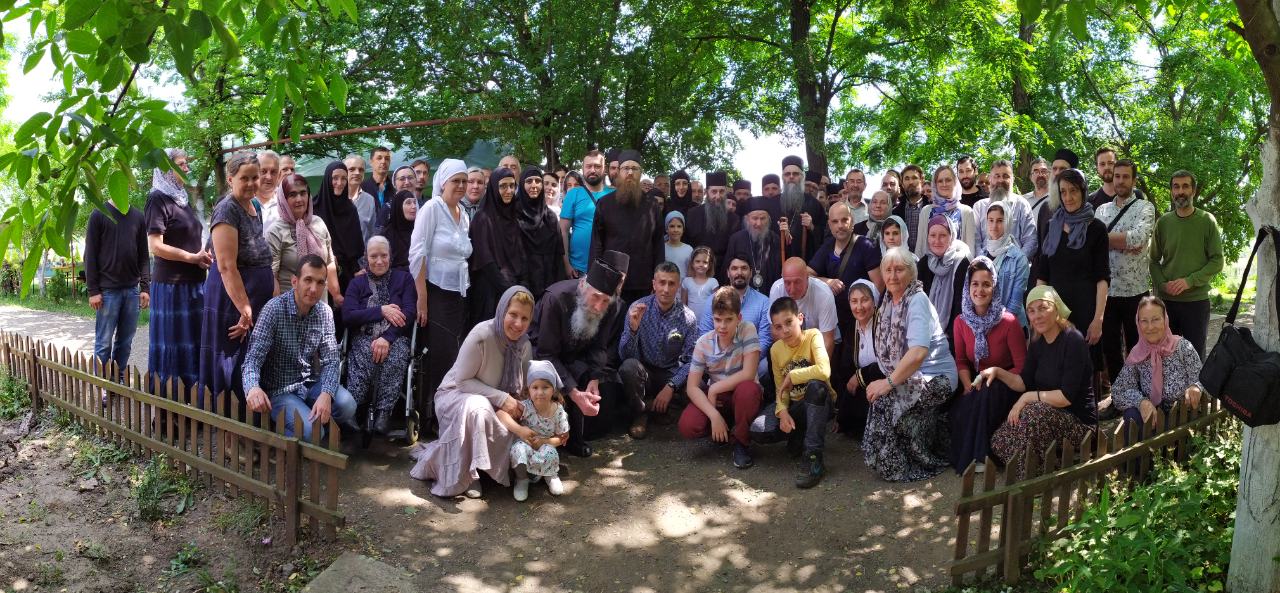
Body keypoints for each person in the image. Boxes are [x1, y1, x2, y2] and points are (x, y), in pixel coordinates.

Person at [409, 286, 534, 498]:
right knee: (478, 406)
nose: (518, 324)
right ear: (502, 311)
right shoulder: (482, 335)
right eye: (513, 315)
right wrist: (502, 398)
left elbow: (524, 388)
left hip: (498, 402)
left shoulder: (524, 345)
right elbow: (463, 381)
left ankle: (508, 468)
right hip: (456, 396)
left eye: (525, 318)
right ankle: (469, 474)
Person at [863, 246, 958, 482]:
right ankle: (890, 458)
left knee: (887, 396)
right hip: (910, 375)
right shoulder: (888, 301)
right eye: (888, 270)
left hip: (937, 377)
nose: (893, 276)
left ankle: (902, 465)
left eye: (899, 270)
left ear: (911, 273)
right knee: (884, 395)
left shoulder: (917, 300)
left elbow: (918, 353)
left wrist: (887, 382)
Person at [983, 286, 1096, 479]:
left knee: (1033, 412)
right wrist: (998, 371)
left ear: (1056, 309)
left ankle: (1032, 477)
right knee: (999, 441)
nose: (1037, 316)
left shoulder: (1073, 340)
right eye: (1031, 311)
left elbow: (1065, 397)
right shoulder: (1037, 342)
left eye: (1043, 308)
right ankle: (1050, 464)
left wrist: (1027, 398)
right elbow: (1023, 382)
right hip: (1045, 418)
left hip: (1079, 424)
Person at [242, 255, 357, 440]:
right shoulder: (273, 310)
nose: (313, 289)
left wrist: (326, 393)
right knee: (314, 433)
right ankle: (283, 434)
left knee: (347, 405)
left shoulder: (325, 312)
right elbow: (252, 359)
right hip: (279, 390)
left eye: (320, 282)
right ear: (295, 282)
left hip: (309, 383)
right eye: (308, 280)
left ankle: (305, 427)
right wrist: (253, 388)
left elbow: (331, 360)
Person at [529, 255, 629, 457]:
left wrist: (594, 377)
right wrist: (574, 392)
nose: (599, 306)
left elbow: (599, 346)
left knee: (603, 396)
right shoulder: (556, 299)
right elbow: (546, 352)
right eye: (596, 297)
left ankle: (575, 438)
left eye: (605, 300)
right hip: (542, 355)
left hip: (575, 356)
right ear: (583, 286)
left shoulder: (610, 305)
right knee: (555, 381)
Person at [200, 152, 276, 410]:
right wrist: (244, 308)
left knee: (252, 358)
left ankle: (250, 418)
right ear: (231, 179)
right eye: (245, 178)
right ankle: (228, 425)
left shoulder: (254, 206)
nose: (253, 183)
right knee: (231, 360)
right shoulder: (227, 209)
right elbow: (226, 266)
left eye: (256, 177)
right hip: (232, 298)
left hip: (253, 297)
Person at [410, 159, 474, 422]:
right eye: (455, 181)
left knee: (455, 355)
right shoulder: (432, 209)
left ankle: (450, 411)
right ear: (443, 183)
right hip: (436, 292)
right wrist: (422, 298)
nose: (461, 185)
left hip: (460, 294)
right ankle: (433, 416)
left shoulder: (464, 214)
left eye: (464, 181)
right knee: (440, 355)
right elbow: (418, 253)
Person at [949, 258, 1026, 473]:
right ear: (968, 287)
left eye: (986, 284)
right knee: (962, 406)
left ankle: (982, 455)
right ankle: (968, 456)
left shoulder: (1008, 322)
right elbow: (961, 361)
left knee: (987, 395)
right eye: (975, 284)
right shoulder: (960, 322)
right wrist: (967, 384)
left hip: (1007, 381)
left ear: (995, 288)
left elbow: (1022, 367)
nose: (980, 290)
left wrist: (997, 375)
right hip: (977, 380)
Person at [749, 296, 834, 488]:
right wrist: (783, 412)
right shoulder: (775, 350)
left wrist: (793, 375)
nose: (785, 330)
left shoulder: (813, 336)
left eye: (789, 322)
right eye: (778, 327)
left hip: (820, 402)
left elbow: (824, 371)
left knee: (816, 387)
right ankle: (800, 433)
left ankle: (813, 457)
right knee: (759, 430)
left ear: (800, 318)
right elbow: (781, 389)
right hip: (796, 406)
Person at [146, 148, 209, 393]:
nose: (186, 168)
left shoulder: (181, 198)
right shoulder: (157, 198)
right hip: (172, 287)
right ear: (166, 168)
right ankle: (169, 406)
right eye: (181, 164)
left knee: (193, 343)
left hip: (194, 283)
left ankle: (194, 401)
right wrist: (192, 258)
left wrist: (201, 258)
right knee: (172, 346)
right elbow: (155, 246)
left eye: (186, 163)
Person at [680, 286, 764, 469]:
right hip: (719, 399)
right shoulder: (703, 343)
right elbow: (692, 387)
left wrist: (714, 389)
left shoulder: (747, 329)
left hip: (741, 392)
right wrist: (714, 415)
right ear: (712, 318)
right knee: (688, 424)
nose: (722, 326)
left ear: (739, 318)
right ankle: (722, 429)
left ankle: (741, 442)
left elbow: (749, 373)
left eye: (728, 320)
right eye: (718, 320)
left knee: (748, 390)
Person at [1035, 168, 1109, 374]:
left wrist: (1098, 320)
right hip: (1055, 313)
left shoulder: (1097, 228)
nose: (1068, 197)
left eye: (1073, 191)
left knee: (1085, 372)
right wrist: (1039, 312)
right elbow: (1042, 275)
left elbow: (1102, 278)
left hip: (1086, 312)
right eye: (1063, 191)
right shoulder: (1052, 226)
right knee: (1056, 370)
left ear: (1083, 191)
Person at [342, 236, 417, 434]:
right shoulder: (357, 283)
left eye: (384, 255)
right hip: (364, 335)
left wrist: (387, 338)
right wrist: (381, 311)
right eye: (373, 256)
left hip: (395, 337)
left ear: (390, 256)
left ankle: (384, 414)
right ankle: (352, 410)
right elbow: (348, 315)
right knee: (362, 353)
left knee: (396, 356)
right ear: (366, 258)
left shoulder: (404, 279)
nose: (379, 261)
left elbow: (409, 313)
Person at [619, 262, 698, 439]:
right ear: (654, 284)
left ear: (678, 286)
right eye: (662, 283)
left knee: (696, 384)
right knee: (628, 368)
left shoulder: (688, 317)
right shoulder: (637, 308)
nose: (666, 289)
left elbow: (692, 360)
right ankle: (641, 413)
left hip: (670, 373)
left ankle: (662, 408)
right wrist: (632, 330)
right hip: (644, 372)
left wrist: (671, 386)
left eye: (671, 283)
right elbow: (624, 356)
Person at [1150, 170, 1224, 357]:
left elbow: (1217, 260)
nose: (1180, 191)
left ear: (1194, 191)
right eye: (1176, 187)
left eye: (1185, 186)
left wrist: (1189, 281)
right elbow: (1153, 261)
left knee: (1195, 357)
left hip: (1196, 303)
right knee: (1167, 356)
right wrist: (1162, 285)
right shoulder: (1163, 223)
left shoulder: (1207, 221)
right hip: (1167, 303)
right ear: (1171, 192)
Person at [1096, 159, 1156, 383]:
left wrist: (1107, 239)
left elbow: (1138, 238)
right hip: (1108, 293)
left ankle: (1141, 394)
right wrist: (1124, 241)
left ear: (1134, 180)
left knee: (1138, 347)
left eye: (1125, 177)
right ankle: (1119, 393)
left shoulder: (1145, 207)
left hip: (1135, 291)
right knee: (1111, 349)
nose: (1120, 181)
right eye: (1117, 176)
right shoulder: (1101, 210)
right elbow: (1094, 242)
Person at [1112, 296, 1205, 439]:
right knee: (1131, 415)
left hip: (1181, 417)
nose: (1150, 327)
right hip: (1153, 418)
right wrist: (1141, 402)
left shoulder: (1183, 347)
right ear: (1138, 323)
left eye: (1155, 319)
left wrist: (1195, 387)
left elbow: (1203, 379)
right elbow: (1118, 391)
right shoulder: (1138, 353)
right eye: (1144, 321)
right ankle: (1143, 453)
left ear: (1165, 320)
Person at [86, 195, 151, 378]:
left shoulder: (138, 217)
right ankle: (102, 383)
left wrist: (145, 288)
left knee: (125, 342)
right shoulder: (99, 214)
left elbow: (144, 256)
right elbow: (90, 255)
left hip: (132, 291)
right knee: (104, 343)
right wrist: (93, 290)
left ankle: (117, 380)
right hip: (107, 292)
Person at [590, 149, 665, 304]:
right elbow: (596, 244)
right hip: (610, 281)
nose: (630, 172)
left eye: (634, 168)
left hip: (643, 282)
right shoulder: (604, 204)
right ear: (619, 172)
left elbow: (658, 246)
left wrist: (659, 278)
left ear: (640, 173)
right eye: (626, 168)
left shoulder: (652, 206)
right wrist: (595, 279)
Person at [807, 201, 883, 351]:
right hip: (834, 320)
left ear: (852, 221)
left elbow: (879, 287)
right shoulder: (827, 246)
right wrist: (827, 281)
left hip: (860, 319)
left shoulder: (866, 246)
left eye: (844, 220)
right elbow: (807, 274)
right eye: (835, 222)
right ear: (829, 225)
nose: (840, 225)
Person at [498, 360, 570, 501]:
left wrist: (544, 441)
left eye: (545, 387)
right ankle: (522, 479)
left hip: (546, 447)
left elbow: (562, 437)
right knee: (518, 449)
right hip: (526, 446)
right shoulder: (525, 407)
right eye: (535, 387)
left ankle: (550, 475)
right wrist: (519, 430)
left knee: (550, 451)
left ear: (553, 390)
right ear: (528, 390)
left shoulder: (558, 410)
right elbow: (500, 414)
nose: (540, 392)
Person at [266, 174, 341, 307]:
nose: (299, 199)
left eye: (303, 193)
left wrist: (336, 294)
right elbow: (272, 276)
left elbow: (329, 263)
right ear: (283, 199)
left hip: (320, 304)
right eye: (292, 195)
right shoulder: (275, 231)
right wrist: (278, 309)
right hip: (289, 307)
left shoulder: (318, 223)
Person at [468, 168, 523, 325]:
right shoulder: (482, 218)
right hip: (489, 291)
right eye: (503, 186)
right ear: (493, 188)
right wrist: (508, 289)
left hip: (513, 286)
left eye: (512, 186)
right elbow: (485, 260)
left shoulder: (514, 217)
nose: (509, 191)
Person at [836, 279, 882, 440]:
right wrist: (841, 416)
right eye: (854, 301)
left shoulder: (884, 324)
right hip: (865, 387)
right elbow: (846, 369)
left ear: (874, 301)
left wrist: (860, 376)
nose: (859, 307)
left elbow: (888, 364)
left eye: (865, 300)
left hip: (885, 383)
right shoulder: (852, 328)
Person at [312, 161, 365, 297]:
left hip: (347, 274)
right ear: (327, 179)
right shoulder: (313, 208)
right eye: (335, 178)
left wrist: (355, 270)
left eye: (343, 178)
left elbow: (355, 246)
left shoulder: (350, 210)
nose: (340, 183)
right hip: (318, 272)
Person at [918, 215, 972, 347]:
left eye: (942, 235)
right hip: (926, 333)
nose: (937, 241)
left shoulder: (962, 262)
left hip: (953, 335)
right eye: (932, 235)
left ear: (951, 236)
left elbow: (962, 304)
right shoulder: (924, 263)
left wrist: (949, 336)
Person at [560, 150, 614, 278]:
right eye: (588, 166)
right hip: (578, 268)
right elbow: (563, 231)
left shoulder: (614, 194)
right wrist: (566, 264)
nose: (592, 170)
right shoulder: (573, 194)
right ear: (583, 168)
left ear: (604, 169)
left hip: (607, 267)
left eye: (597, 166)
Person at [769, 257, 838, 356]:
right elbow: (775, 331)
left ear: (807, 277)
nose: (792, 289)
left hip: (818, 346)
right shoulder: (777, 289)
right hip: (789, 345)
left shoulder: (824, 294)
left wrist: (817, 364)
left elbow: (827, 340)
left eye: (797, 282)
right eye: (787, 283)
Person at [517, 165, 568, 298]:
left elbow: (558, 256)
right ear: (521, 184)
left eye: (538, 181)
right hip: (521, 284)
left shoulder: (550, 217)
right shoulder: (513, 214)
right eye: (529, 181)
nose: (534, 185)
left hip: (548, 282)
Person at [973, 159, 1037, 259]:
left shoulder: (1022, 204)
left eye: (1005, 176)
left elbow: (1031, 239)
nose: (1000, 180)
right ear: (990, 179)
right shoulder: (979, 207)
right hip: (985, 263)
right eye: (997, 176)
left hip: (1015, 263)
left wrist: (1018, 262)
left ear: (1012, 179)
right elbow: (975, 241)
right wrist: (983, 263)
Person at [684, 171, 740, 280]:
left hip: (725, 272)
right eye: (714, 191)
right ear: (706, 192)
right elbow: (688, 244)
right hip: (698, 272)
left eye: (721, 191)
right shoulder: (692, 214)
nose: (718, 196)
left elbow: (733, 250)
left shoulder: (734, 219)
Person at [982, 203, 1030, 328]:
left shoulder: (1019, 258)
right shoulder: (982, 254)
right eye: (990, 220)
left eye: (1000, 221)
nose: (994, 226)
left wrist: (998, 329)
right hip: (984, 325)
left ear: (1008, 222)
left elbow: (1015, 304)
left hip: (1010, 326)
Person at [915, 165, 977, 257]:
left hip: (958, 265)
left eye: (948, 180)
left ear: (955, 182)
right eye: (940, 181)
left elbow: (970, 250)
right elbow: (920, 247)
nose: (944, 184)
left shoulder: (966, 212)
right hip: (929, 265)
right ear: (935, 184)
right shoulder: (926, 211)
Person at [725, 204, 783, 292]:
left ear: (768, 220)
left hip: (769, 290)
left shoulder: (775, 239)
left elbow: (779, 269)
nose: (759, 223)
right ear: (747, 219)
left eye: (763, 218)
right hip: (742, 292)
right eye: (755, 218)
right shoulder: (736, 239)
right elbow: (728, 270)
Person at [344, 154, 378, 245]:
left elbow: (372, 232)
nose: (357, 173)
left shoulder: (369, 200)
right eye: (352, 169)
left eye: (361, 170)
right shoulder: (334, 198)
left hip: (362, 253)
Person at [380, 190, 417, 271]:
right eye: (408, 203)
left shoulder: (419, 231)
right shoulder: (386, 236)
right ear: (398, 207)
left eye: (414, 202)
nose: (414, 206)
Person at [893, 165, 927, 249]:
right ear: (902, 184)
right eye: (907, 179)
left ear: (922, 181)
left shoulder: (933, 210)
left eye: (914, 178)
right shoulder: (895, 213)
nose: (911, 182)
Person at [683, 247, 718, 324]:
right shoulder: (687, 281)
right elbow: (683, 304)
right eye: (697, 261)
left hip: (707, 322)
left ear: (709, 265)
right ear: (692, 263)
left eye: (705, 262)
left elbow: (716, 304)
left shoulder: (713, 282)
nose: (701, 264)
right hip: (690, 322)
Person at [361, 146, 395, 225]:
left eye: (387, 159)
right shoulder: (362, 188)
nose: (383, 161)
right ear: (371, 162)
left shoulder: (395, 187)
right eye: (379, 158)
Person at [254, 150, 282, 236]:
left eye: (273, 172)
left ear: (279, 175)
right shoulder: (244, 201)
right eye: (263, 171)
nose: (269, 177)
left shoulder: (286, 201)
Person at [664, 211, 693, 279]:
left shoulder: (689, 249)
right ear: (666, 229)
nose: (675, 230)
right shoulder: (662, 248)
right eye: (672, 226)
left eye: (679, 226)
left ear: (683, 229)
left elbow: (691, 273)